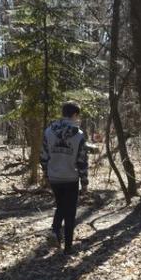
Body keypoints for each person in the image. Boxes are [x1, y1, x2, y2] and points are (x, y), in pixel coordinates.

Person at [40, 101, 89, 254]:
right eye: (77, 116)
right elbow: (82, 161)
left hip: (54, 176)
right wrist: (84, 182)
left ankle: (55, 232)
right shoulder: (79, 134)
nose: (77, 119)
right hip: (71, 177)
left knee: (61, 205)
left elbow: (43, 156)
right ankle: (67, 247)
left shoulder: (48, 131)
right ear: (74, 115)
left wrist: (46, 174)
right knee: (70, 212)